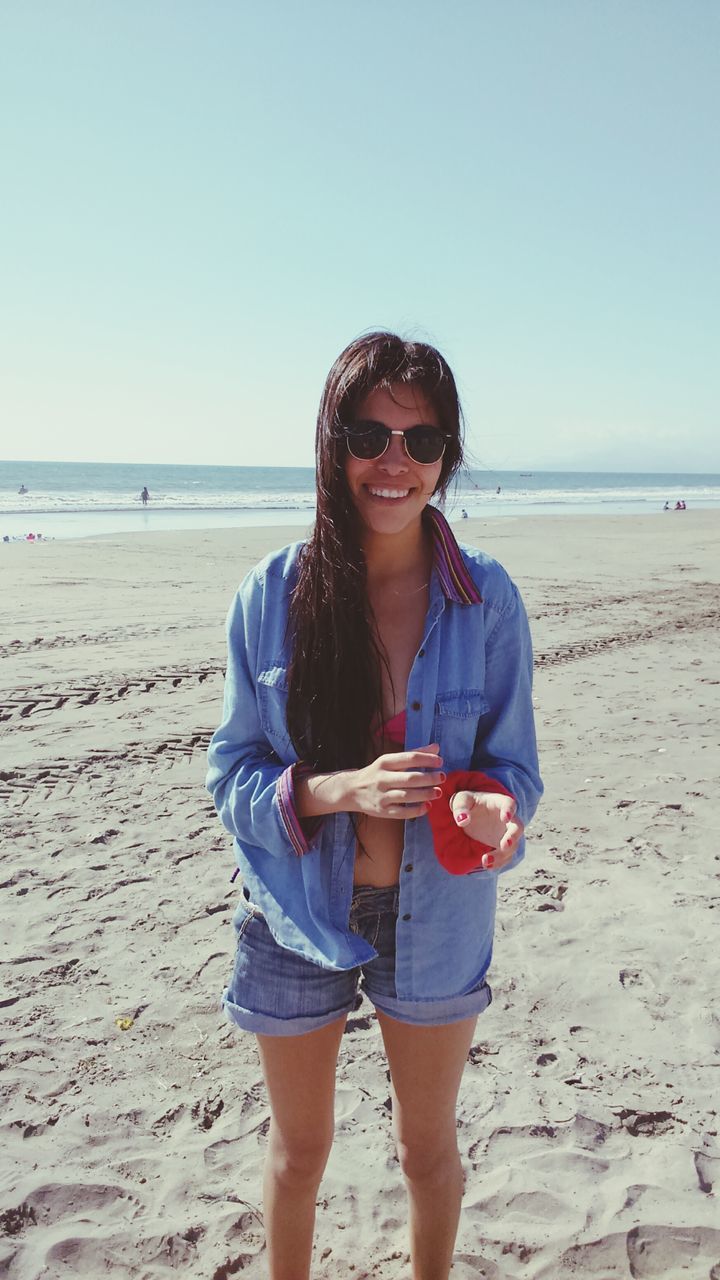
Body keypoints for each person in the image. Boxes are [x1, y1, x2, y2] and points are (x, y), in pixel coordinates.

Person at [206, 331, 543, 1280]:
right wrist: (334, 789)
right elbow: (229, 772)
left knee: (425, 1151)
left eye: (421, 441)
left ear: (446, 457)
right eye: (369, 432)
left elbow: (515, 773)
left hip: (434, 918)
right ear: (332, 443)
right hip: (294, 913)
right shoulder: (270, 596)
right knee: (299, 1153)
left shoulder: (488, 602)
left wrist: (496, 816)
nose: (394, 462)